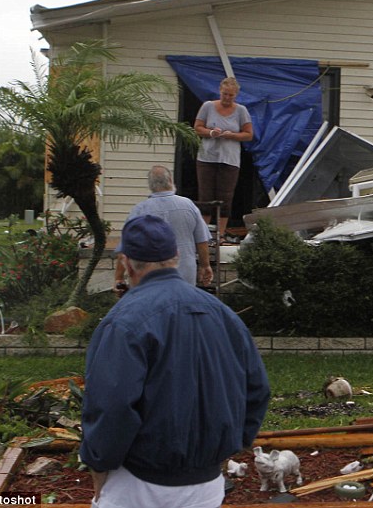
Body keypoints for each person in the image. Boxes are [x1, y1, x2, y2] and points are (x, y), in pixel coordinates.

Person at [81, 214, 270, 508]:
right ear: (177, 256)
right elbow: (256, 390)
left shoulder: (124, 322)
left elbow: (112, 406)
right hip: (206, 487)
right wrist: (228, 446)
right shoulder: (224, 315)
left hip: (138, 486)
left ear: (126, 262)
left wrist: (99, 465)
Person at [113, 165, 213, 289]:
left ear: (150, 186)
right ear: (170, 180)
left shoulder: (140, 210)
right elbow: (201, 241)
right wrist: (205, 265)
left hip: (149, 278)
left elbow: (126, 247)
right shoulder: (188, 206)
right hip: (185, 275)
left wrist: (119, 277)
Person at [193, 77, 253, 238]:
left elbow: (248, 134)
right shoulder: (208, 106)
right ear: (220, 91)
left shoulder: (241, 111)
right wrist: (211, 133)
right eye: (225, 94)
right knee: (205, 195)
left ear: (236, 95)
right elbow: (197, 128)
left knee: (225, 196)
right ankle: (203, 233)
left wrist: (232, 135)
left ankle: (220, 233)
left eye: (231, 96)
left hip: (230, 159)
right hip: (207, 157)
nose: (227, 98)